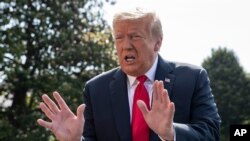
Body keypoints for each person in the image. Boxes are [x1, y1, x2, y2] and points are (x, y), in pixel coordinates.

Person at [37, 7, 221, 141]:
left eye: (135, 36)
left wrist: (170, 133)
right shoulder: (96, 88)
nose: (126, 45)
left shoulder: (192, 78)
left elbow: (211, 134)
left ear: (157, 43)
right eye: (119, 38)